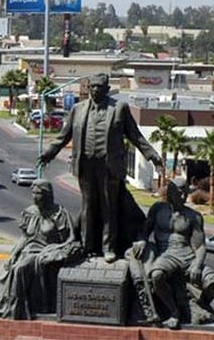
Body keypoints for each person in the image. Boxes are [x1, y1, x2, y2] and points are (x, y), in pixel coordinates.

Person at [37, 73, 162, 263]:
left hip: (109, 166)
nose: (95, 90)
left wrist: (152, 154)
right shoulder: (78, 109)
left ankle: (108, 248)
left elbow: (135, 136)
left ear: (107, 89)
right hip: (86, 165)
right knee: (88, 206)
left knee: (108, 208)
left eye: (99, 87)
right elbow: (64, 136)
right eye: (92, 86)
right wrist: (49, 152)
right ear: (88, 89)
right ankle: (87, 246)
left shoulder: (119, 108)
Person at [127, 177, 214, 329]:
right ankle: (174, 312)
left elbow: (200, 246)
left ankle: (199, 304)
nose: (183, 197)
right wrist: (142, 240)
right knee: (156, 275)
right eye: (180, 193)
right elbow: (144, 231)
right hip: (166, 255)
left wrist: (197, 265)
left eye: (185, 193)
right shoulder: (158, 209)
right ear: (171, 192)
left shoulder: (194, 216)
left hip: (188, 256)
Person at [0, 179, 80, 319]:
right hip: (27, 250)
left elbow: (70, 240)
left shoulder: (59, 213)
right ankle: (3, 302)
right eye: (33, 193)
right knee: (1, 273)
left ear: (47, 195)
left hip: (44, 252)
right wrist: (13, 255)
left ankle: (18, 309)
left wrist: (54, 251)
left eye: (38, 193)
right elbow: (24, 238)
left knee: (20, 269)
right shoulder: (29, 213)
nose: (34, 197)